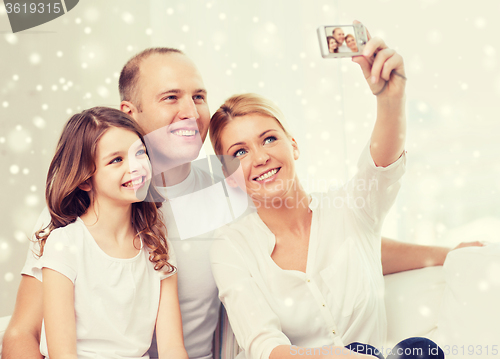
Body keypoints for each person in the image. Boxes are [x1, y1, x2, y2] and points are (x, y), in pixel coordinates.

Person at [2, 46, 482, 359]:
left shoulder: (229, 181)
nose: (190, 112)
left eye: (198, 95)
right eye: (171, 98)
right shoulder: (87, 205)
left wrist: (444, 254)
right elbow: (21, 336)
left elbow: (327, 239)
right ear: (131, 113)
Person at [208, 30, 444, 358]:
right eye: (239, 152)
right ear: (229, 177)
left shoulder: (349, 210)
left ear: (294, 145)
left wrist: (390, 100)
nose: (260, 157)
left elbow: (381, 167)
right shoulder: (231, 245)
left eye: (269, 139)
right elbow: (264, 346)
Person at [32, 107, 186, 358]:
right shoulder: (65, 245)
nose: (135, 167)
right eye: (116, 160)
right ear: (85, 180)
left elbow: (172, 347)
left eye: (140, 153)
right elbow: (63, 354)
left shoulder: (157, 244)